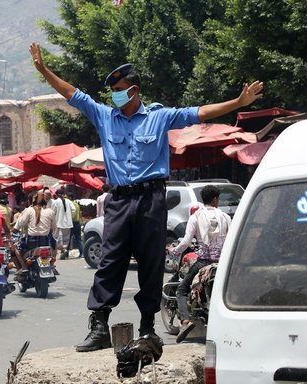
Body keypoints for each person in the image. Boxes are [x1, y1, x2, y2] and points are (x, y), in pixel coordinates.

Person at [29, 41, 264, 352]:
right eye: (112, 89)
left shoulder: (160, 117)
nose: (114, 93)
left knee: (151, 262)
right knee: (111, 260)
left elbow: (201, 113)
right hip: (118, 200)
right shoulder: (104, 115)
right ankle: (99, 325)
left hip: (151, 198)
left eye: (119, 88)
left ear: (134, 89)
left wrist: (238, 101)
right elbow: (73, 94)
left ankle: (147, 328)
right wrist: (44, 70)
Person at [168, 185, 231, 343]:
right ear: (215, 199)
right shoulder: (225, 217)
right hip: (223, 263)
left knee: (181, 290)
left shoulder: (196, 216)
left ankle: (185, 321)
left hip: (203, 262)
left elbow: (187, 241)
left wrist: (173, 251)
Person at [12, 191, 56, 273]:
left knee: (14, 249)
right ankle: (52, 264)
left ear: (31, 201)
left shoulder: (28, 210)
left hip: (31, 241)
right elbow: (53, 228)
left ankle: (24, 267)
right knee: (54, 245)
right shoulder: (50, 211)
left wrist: (12, 232)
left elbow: (18, 226)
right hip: (45, 240)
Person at [51, 189, 76, 260]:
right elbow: (74, 210)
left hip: (59, 223)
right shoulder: (69, 201)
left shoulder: (55, 202)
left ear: (56, 194)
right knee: (66, 239)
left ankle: (63, 250)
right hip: (68, 223)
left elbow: (52, 212)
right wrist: (70, 217)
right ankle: (63, 251)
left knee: (58, 239)